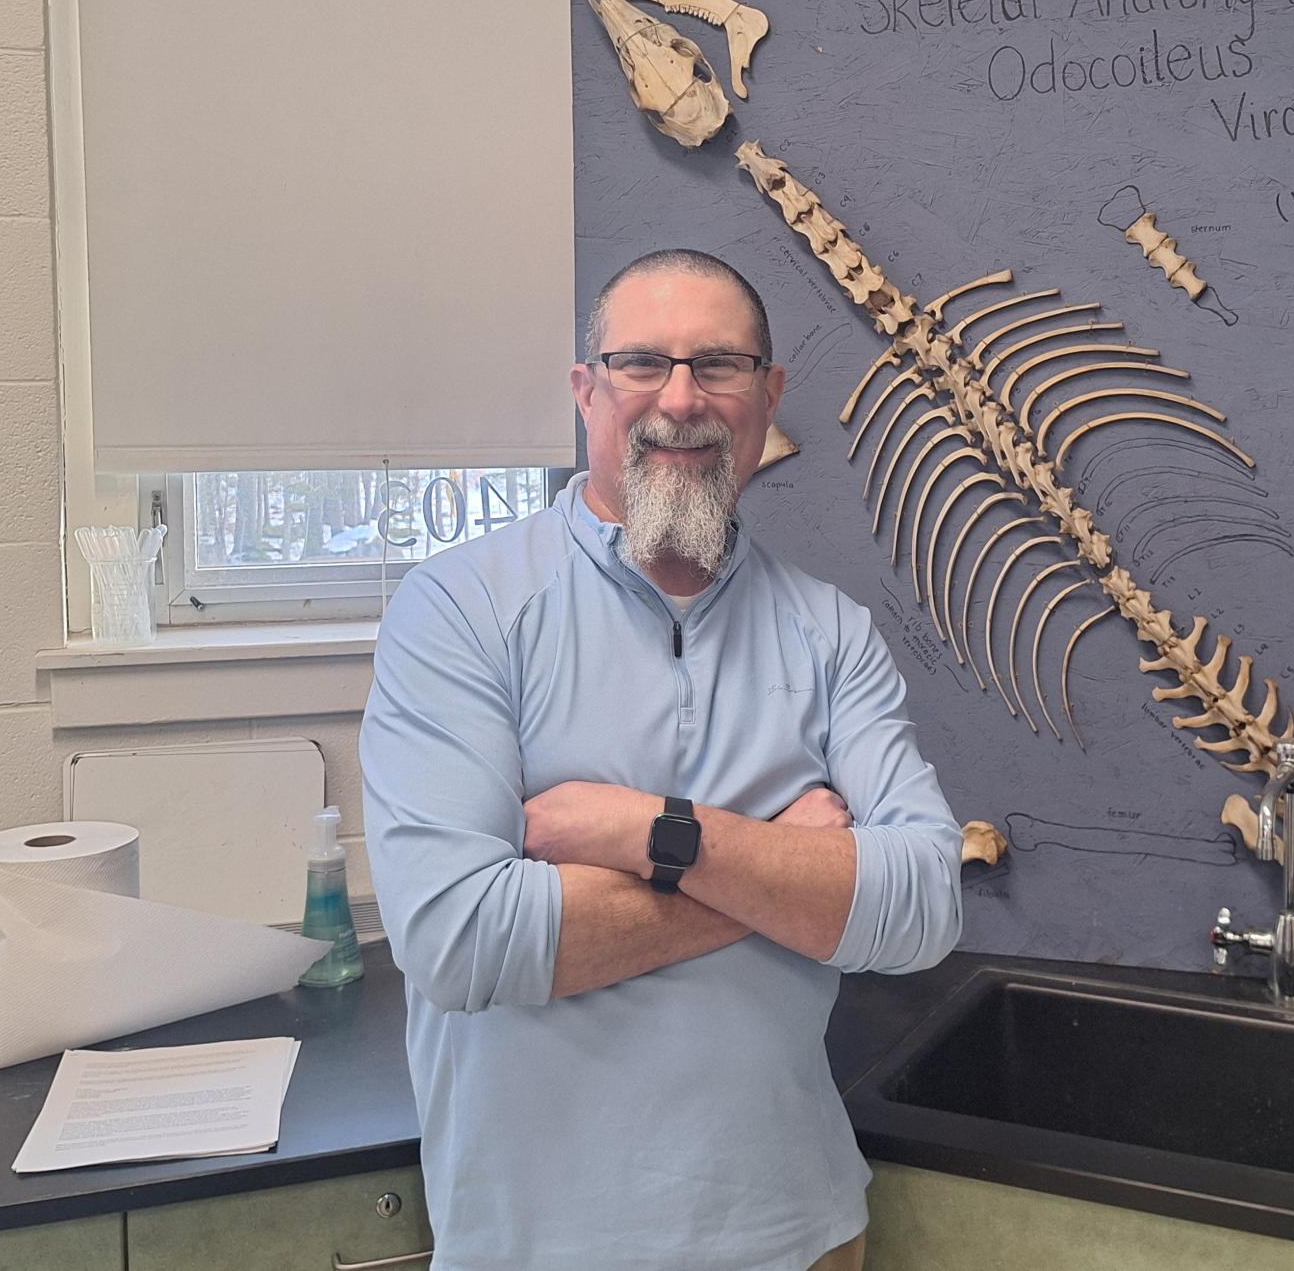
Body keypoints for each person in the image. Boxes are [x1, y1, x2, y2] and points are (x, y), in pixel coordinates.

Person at [361, 249, 964, 1271]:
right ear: (587, 391)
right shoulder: (459, 610)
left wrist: (647, 834)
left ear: (766, 398)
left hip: (801, 1233)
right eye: (641, 362)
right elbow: (460, 938)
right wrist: (785, 869)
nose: (679, 399)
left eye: (720, 365)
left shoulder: (833, 635)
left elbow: (924, 905)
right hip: (542, 1245)